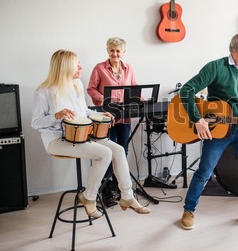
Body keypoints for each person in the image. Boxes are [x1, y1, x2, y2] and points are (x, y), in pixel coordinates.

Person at [31, 49, 150, 218]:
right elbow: (35, 123)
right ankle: (89, 197)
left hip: (82, 135)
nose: (80, 67)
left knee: (118, 150)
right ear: (65, 67)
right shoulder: (44, 91)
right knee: (104, 153)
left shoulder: (76, 85)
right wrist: (56, 116)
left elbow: (84, 111)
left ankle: (127, 197)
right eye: (76, 64)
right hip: (56, 140)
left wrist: (101, 115)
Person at [178, 31, 238, 230]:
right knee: (204, 171)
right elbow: (186, 90)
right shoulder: (215, 67)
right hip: (217, 130)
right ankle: (188, 210)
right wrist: (197, 119)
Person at [87, 37, 138, 207]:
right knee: (108, 152)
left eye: (118, 51)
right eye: (112, 50)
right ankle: (105, 189)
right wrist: (103, 99)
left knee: (123, 151)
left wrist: (139, 97)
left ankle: (121, 188)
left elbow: (134, 86)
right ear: (107, 50)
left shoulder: (129, 68)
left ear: (123, 52)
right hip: (106, 117)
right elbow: (91, 89)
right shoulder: (99, 68)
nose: (115, 53)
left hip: (124, 117)